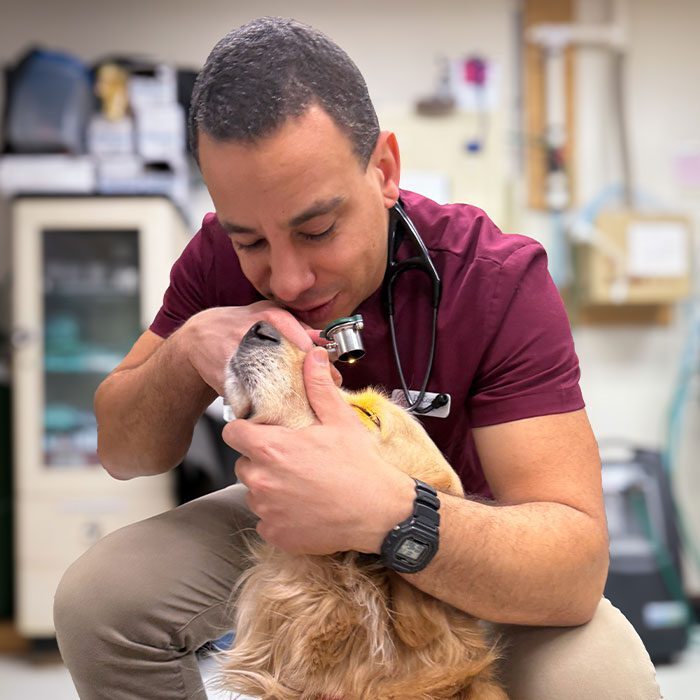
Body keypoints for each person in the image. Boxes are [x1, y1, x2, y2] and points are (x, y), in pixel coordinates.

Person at [54, 16, 662, 700]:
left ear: (385, 172)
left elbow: (575, 569)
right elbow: (123, 452)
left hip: (472, 537)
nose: (286, 279)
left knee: (602, 678)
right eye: (250, 241)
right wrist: (187, 348)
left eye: (317, 230)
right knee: (97, 602)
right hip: (291, 525)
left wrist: (389, 513)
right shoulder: (215, 260)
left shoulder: (493, 280)